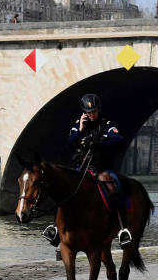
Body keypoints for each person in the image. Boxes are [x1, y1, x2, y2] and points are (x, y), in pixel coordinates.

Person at [41, 93, 132, 247]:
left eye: (94, 112)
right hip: (82, 168)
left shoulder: (106, 124)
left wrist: (101, 142)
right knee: (62, 189)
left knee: (115, 186)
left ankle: (122, 229)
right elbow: (69, 145)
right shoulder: (79, 125)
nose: (91, 115)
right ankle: (55, 228)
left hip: (102, 168)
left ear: (99, 110)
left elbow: (118, 139)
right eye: (88, 112)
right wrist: (80, 130)